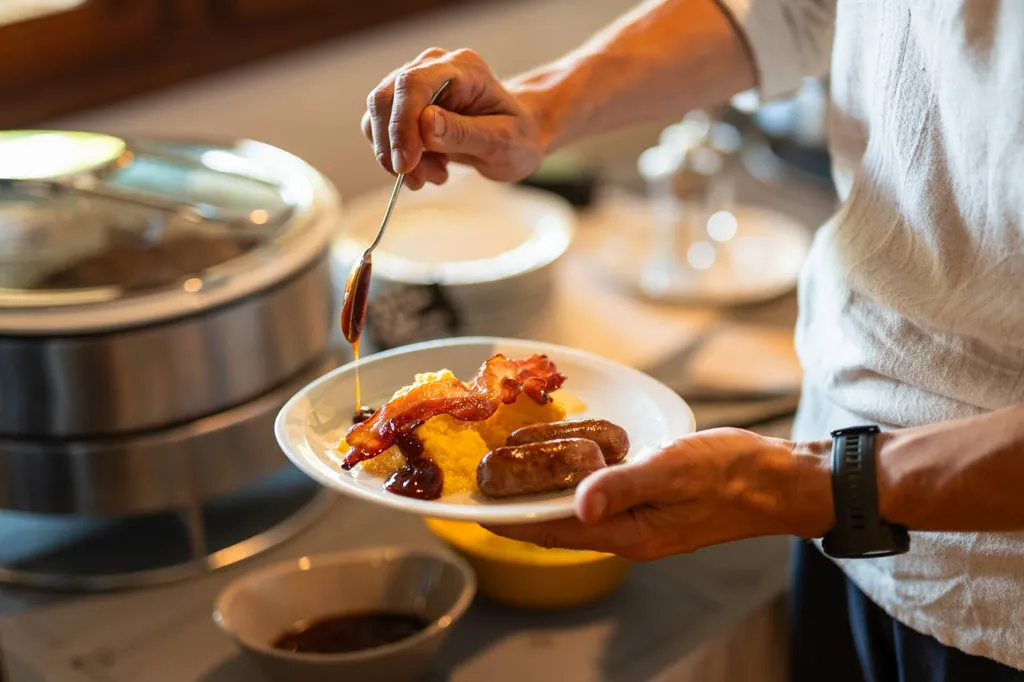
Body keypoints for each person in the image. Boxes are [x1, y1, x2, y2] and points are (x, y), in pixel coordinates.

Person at [361, 1, 1024, 679]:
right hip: (841, 506)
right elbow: (791, 12)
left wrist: (802, 484)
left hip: (1001, 603)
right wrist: (537, 107)